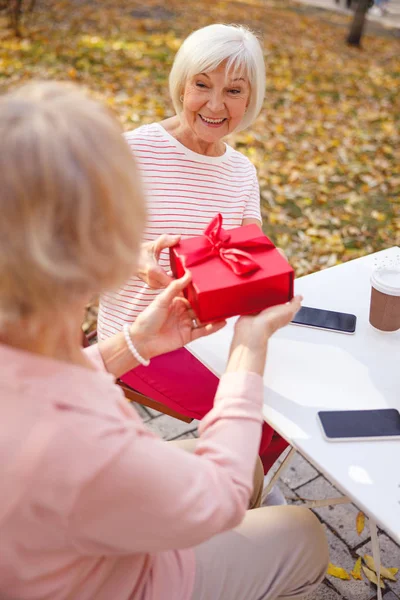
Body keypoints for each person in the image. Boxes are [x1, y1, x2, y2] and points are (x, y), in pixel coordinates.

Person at [0, 81, 329, 599]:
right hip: (129, 580)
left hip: (65, 540)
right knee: (306, 533)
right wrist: (248, 350)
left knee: (250, 461)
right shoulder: (86, 440)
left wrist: (132, 342)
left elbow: (37, 386)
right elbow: (218, 498)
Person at [98, 24, 290, 488]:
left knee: (291, 409)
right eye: (202, 84)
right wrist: (131, 259)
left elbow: (250, 258)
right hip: (145, 339)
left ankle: (238, 493)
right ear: (181, 83)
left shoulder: (242, 172)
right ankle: (220, 503)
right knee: (265, 421)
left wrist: (263, 276)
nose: (216, 104)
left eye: (234, 91)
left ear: (251, 99)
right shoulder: (131, 151)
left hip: (215, 336)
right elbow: (75, 251)